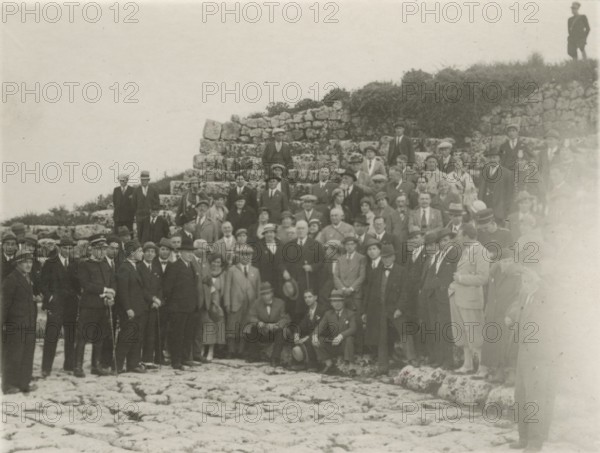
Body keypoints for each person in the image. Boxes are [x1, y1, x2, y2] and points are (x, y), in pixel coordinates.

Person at [506, 267, 559, 451]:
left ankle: (535, 442)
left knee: (535, 398)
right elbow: (516, 307)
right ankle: (523, 438)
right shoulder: (525, 295)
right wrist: (512, 316)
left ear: (535, 282)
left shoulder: (545, 298)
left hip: (539, 355)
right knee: (520, 396)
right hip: (523, 354)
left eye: (526, 282)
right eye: (522, 282)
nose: (523, 286)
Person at [73, 234, 115, 378]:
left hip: (103, 306)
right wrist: (105, 291)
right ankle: (77, 366)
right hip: (89, 306)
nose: (102, 252)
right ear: (91, 249)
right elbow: (86, 284)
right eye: (99, 249)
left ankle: (95, 366)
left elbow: (111, 282)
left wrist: (111, 294)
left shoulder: (105, 265)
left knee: (100, 336)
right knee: (83, 337)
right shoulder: (84, 264)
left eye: (104, 249)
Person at [449, 224, 489, 374]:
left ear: (466, 236)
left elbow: (483, 278)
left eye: (460, 235)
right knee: (463, 332)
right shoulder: (465, 251)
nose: (458, 238)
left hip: (471, 299)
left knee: (475, 333)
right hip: (459, 296)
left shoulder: (481, 252)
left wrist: (461, 278)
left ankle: (482, 367)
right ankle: (468, 364)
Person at [1, 250, 39, 394]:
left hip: (28, 323)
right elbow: (4, 305)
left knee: (27, 354)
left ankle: (24, 383)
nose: (29, 265)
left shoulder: (27, 277)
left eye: (30, 262)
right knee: (14, 355)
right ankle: (8, 385)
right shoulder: (11, 280)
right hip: (15, 325)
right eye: (25, 262)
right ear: (17, 264)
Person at [40, 237, 79, 377]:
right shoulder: (50, 263)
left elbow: (78, 283)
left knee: (70, 336)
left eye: (70, 248)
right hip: (56, 305)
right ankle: (46, 368)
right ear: (59, 248)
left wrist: (77, 296)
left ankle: (69, 365)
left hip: (71, 306)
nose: (68, 251)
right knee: (51, 336)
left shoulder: (75, 263)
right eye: (65, 248)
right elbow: (42, 284)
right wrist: (51, 297)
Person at [419, 228, 457, 369]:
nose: (444, 243)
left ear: (451, 240)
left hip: (445, 296)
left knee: (446, 328)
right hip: (434, 296)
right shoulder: (440, 255)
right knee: (437, 328)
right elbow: (434, 275)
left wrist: (444, 287)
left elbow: (453, 274)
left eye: (447, 240)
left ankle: (449, 360)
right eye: (442, 241)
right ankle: (440, 359)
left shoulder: (454, 253)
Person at [162, 240, 199, 370]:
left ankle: (185, 358)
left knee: (188, 334)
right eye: (187, 252)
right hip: (177, 307)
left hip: (190, 307)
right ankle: (176, 361)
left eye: (191, 253)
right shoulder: (174, 266)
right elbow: (167, 288)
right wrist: (173, 304)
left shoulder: (191, 266)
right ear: (181, 253)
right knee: (177, 334)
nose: (190, 255)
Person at [115, 240, 149, 373]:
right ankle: (117, 365)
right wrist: (128, 308)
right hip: (130, 310)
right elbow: (123, 291)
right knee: (126, 338)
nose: (142, 254)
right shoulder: (124, 268)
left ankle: (133, 364)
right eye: (140, 251)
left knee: (137, 338)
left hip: (139, 309)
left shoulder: (135, 266)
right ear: (132, 253)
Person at [282, 220, 325, 323]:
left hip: (309, 281)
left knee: (308, 308)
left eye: (303, 228)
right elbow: (281, 262)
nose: (300, 231)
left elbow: (322, 262)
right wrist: (284, 271)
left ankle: (308, 334)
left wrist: (312, 267)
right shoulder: (289, 245)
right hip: (294, 283)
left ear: (307, 230)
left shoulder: (316, 244)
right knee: (294, 309)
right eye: (298, 228)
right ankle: (295, 333)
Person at [224, 245, 261, 358]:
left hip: (250, 304)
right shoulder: (232, 270)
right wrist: (227, 302)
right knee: (233, 325)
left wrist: (258, 305)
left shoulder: (255, 271)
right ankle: (231, 350)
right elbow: (227, 288)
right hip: (235, 302)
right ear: (238, 256)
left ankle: (241, 351)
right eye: (243, 254)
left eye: (249, 255)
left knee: (246, 327)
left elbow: (258, 289)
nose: (246, 257)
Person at [246, 282, 290, 366]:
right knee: (251, 329)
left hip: (275, 330)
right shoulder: (256, 303)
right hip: (263, 330)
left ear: (272, 293)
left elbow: (285, 318)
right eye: (263, 294)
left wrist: (276, 325)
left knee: (281, 332)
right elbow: (251, 316)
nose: (266, 296)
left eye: (268, 293)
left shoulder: (280, 303)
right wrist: (258, 322)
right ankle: (253, 355)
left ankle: (275, 358)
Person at [313, 290, 357, 374]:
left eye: (339, 301)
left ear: (343, 302)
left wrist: (341, 336)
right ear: (331, 303)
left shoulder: (350, 313)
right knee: (318, 339)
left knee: (349, 338)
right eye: (334, 301)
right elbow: (320, 327)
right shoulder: (328, 314)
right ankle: (329, 364)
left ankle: (351, 367)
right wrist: (314, 336)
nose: (337, 303)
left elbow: (353, 328)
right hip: (334, 344)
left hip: (346, 345)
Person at [138, 241, 164, 368]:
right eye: (147, 251)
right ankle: (136, 360)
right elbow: (140, 287)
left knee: (151, 332)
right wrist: (152, 298)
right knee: (140, 332)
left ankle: (148, 359)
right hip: (142, 305)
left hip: (154, 306)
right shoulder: (138, 267)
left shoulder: (156, 268)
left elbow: (160, 286)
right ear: (143, 253)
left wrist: (158, 300)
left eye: (152, 252)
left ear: (155, 254)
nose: (149, 254)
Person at [290, 289, 327, 371]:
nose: (307, 299)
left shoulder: (322, 310)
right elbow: (301, 325)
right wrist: (296, 334)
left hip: (323, 334)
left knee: (309, 340)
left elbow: (323, 327)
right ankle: (299, 362)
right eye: (305, 297)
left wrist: (307, 337)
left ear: (315, 297)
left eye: (310, 297)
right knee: (295, 338)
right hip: (313, 334)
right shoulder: (308, 311)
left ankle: (313, 365)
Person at [200, 253, 227, 362]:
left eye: (218, 262)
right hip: (206, 301)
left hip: (218, 303)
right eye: (214, 262)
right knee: (206, 325)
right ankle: (202, 349)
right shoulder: (205, 272)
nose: (216, 264)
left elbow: (226, 289)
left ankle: (211, 350)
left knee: (217, 325)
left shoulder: (224, 274)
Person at [478, 148, 514, 225]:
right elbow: (481, 190)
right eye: (490, 158)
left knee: (498, 231)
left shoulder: (507, 173)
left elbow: (509, 195)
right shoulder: (484, 172)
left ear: (499, 158)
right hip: (485, 208)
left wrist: (506, 213)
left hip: (499, 210)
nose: (492, 160)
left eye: (494, 157)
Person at [333, 235, 367, 313]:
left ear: (355, 245)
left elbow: (362, 276)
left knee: (356, 317)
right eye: (347, 244)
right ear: (344, 246)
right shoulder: (340, 259)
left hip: (356, 294)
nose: (349, 246)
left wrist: (351, 289)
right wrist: (344, 289)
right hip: (342, 294)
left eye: (352, 244)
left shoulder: (361, 258)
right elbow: (335, 276)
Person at [252, 224, 285, 299]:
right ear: (264, 234)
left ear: (275, 233)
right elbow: (255, 265)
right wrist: (260, 280)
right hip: (265, 279)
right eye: (267, 233)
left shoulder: (281, 244)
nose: (269, 234)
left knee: (279, 299)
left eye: (271, 232)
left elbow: (285, 261)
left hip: (279, 280)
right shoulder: (258, 247)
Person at [132, 171, 160, 241]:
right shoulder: (136, 191)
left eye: (145, 180)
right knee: (140, 233)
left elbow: (157, 202)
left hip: (150, 216)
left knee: (150, 233)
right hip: (140, 216)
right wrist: (137, 213)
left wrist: (154, 212)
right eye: (142, 180)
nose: (143, 181)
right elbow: (133, 204)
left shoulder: (153, 190)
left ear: (148, 180)